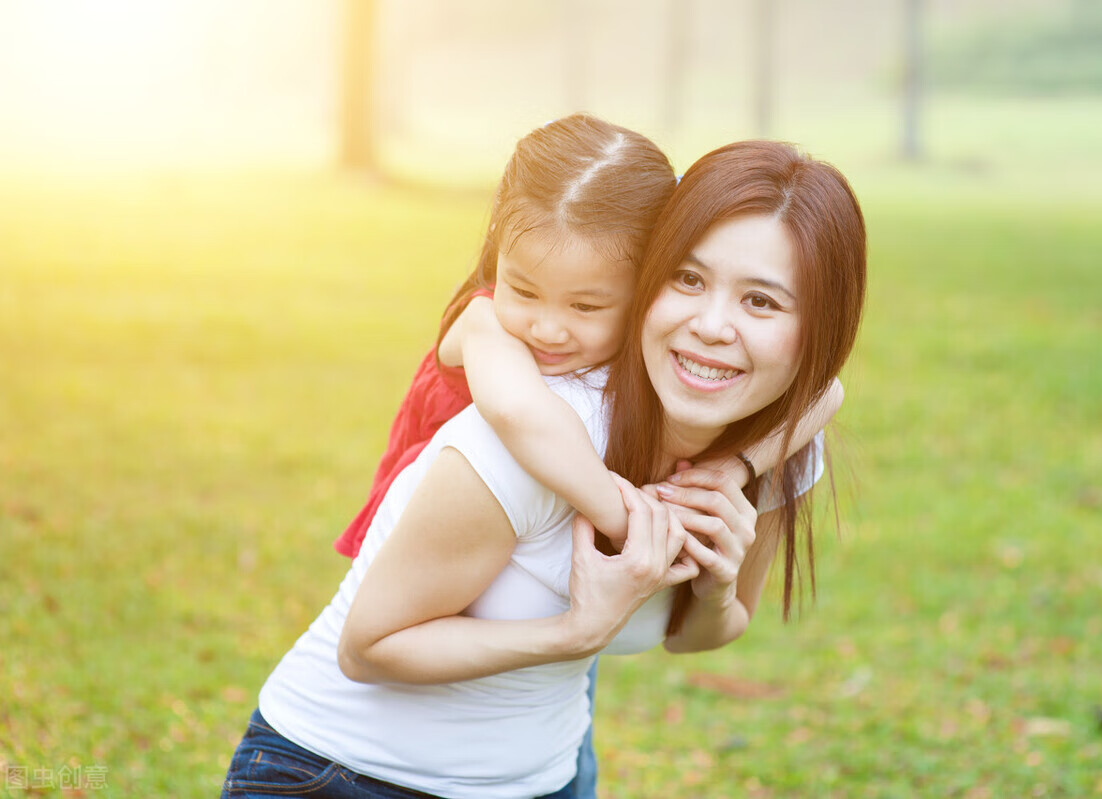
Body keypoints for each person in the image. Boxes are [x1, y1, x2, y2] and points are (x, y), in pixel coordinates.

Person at [221, 139, 867, 798]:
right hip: (344, 775)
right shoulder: (536, 428)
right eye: (689, 279)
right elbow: (366, 647)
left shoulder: (779, 448)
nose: (711, 324)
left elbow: (704, 634)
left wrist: (717, 575)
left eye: (761, 301)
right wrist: (590, 602)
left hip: (540, 779)